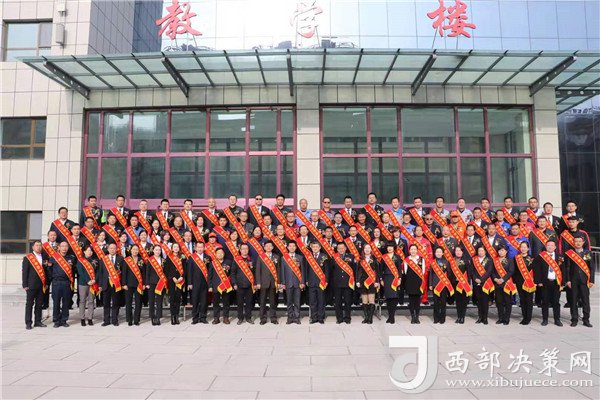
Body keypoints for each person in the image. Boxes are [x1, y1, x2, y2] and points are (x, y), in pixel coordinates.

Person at [534, 240, 565, 327]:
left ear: (555, 247)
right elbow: (537, 269)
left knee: (556, 302)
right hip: (545, 282)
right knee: (545, 301)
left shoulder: (560, 257)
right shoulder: (541, 256)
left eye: (552, 245)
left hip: (556, 282)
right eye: (548, 245)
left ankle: (557, 319)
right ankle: (545, 319)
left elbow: (563, 270)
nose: (550, 247)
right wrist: (538, 281)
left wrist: (563, 281)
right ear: (546, 246)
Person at [565, 236, 594, 328]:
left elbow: (591, 267)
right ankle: (574, 319)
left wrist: (591, 280)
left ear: (583, 242)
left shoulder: (587, 253)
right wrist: (568, 280)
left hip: (584, 281)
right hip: (573, 280)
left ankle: (586, 320)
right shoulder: (570, 253)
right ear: (573, 242)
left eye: (579, 241)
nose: (578, 243)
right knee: (573, 300)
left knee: (585, 300)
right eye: (576, 241)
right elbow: (567, 268)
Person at [47, 242, 75, 328]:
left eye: (66, 246)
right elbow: (49, 270)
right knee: (56, 302)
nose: (64, 248)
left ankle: (64, 320)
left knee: (66, 302)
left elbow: (73, 270)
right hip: (56, 283)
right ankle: (56, 320)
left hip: (66, 283)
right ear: (58, 247)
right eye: (62, 246)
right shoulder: (53, 258)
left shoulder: (71, 258)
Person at [22, 241, 48, 330]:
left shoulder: (44, 257)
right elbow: (25, 272)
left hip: (41, 285)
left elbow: (46, 272)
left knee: (39, 304)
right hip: (31, 285)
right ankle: (28, 322)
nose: (39, 247)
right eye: (37, 245)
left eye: (40, 245)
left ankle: (38, 321)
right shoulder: (28, 258)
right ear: (33, 247)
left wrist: (46, 283)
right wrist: (25, 284)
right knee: (29, 304)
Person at [279, 241, 306, 324]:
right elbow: (282, 271)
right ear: (287, 247)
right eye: (290, 246)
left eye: (293, 246)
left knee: (297, 301)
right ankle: (290, 317)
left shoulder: (300, 257)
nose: (292, 247)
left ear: (296, 247)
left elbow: (303, 271)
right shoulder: (284, 258)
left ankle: (297, 317)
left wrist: (302, 282)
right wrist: (283, 283)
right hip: (288, 283)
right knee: (289, 301)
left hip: (298, 283)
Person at [255, 241, 280, 324]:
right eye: (267, 246)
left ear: (272, 247)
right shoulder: (260, 257)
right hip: (263, 283)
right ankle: (263, 318)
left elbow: (278, 270)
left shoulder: (276, 257)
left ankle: (273, 318)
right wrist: (258, 282)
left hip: (273, 282)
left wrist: (278, 282)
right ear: (264, 247)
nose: (268, 247)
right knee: (262, 302)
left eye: (270, 246)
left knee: (273, 302)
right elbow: (258, 271)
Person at [98, 243, 123, 327]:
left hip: (116, 284)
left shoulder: (120, 258)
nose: (112, 250)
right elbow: (100, 273)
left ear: (116, 249)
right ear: (108, 249)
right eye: (111, 248)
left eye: (114, 248)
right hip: (106, 284)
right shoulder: (103, 259)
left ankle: (115, 320)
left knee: (116, 303)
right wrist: (100, 285)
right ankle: (106, 320)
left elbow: (123, 272)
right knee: (106, 303)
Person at [306, 241, 330, 324]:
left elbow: (327, 270)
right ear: (311, 248)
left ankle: (320, 317)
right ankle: (314, 317)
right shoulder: (309, 256)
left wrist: (326, 281)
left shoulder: (324, 256)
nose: (315, 248)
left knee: (321, 301)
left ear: (319, 247)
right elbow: (306, 269)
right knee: (312, 301)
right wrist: (306, 280)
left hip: (321, 282)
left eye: (316, 247)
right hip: (311, 282)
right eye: (313, 247)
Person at [331, 242, 355, 324]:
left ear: (345, 248)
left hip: (347, 283)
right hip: (337, 283)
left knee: (348, 302)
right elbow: (331, 270)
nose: (341, 250)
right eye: (339, 248)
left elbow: (354, 269)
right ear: (337, 249)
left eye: (342, 248)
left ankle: (347, 318)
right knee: (338, 302)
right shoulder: (334, 257)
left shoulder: (351, 256)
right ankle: (339, 318)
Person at [231, 243, 255, 324]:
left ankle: (248, 317)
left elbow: (254, 272)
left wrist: (254, 283)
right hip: (239, 285)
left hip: (249, 285)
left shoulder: (251, 259)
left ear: (248, 250)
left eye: (246, 249)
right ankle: (240, 318)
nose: (245, 250)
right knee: (240, 303)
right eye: (243, 249)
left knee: (249, 302)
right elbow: (233, 273)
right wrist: (234, 283)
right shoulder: (236, 260)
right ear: (240, 250)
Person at [187, 242, 211, 325]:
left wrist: (209, 283)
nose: (200, 249)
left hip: (205, 282)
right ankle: (195, 318)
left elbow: (209, 271)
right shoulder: (191, 257)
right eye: (198, 247)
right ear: (195, 248)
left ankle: (203, 317)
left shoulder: (208, 257)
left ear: (204, 248)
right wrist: (189, 283)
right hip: (195, 282)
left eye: (201, 247)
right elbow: (189, 271)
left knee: (204, 301)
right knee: (195, 300)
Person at [355, 244, 379, 324]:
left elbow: (377, 272)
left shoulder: (374, 259)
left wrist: (377, 281)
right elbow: (357, 271)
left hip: (372, 282)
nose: (367, 249)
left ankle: (370, 318)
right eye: (365, 248)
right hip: (362, 282)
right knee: (364, 300)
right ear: (363, 250)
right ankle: (366, 317)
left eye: (369, 248)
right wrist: (357, 281)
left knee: (371, 300)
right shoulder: (360, 260)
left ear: (371, 249)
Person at [492, 246, 515, 325]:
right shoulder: (495, 260)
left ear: (506, 251)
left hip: (507, 283)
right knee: (499, 301)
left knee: (507, 301)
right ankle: (500, 318)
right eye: (499, 250)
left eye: (502, 250)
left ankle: (506, 318)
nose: (501, 252)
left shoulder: (510, 260)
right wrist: (495, 279)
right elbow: (492, 271)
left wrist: (503, 279)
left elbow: (511, 271)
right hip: (497, 283)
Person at [513, 241, 535, 325]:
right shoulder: (516, 258)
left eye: (525, 247)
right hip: (520, 281)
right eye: (522, 247)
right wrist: (515, 281)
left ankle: (528, 318)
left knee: (529, 300)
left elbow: (535, 270)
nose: (523, 249)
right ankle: (524, 317)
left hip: (529, 282)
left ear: (528, 248)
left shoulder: (532, 258)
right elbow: (514, 271)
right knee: (522, 300)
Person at [122, 244, 144, 326]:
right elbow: (124, 273)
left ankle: (136, 320)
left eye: (136, 249)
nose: (135, 251)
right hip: (128, 284)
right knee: (128, 303)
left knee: (138, 302)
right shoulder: (127, 260)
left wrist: (144, 284)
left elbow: (143, 273)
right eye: (134, 249)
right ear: (130, 250)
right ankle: (129, 319)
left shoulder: (141, 260)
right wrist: (124, 284)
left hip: (139, 284)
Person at [209, 247, 232, 324]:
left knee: (226, 302)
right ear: (215, 254)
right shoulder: (212, 263)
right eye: (218, 253)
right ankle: (216, 318)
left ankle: (226, 317)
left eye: (221, 253)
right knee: (216, 303)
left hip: (226, 285)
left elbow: (232, 273)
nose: (220, 254)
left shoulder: (229, 262)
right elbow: (210, 276)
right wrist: (210, 286)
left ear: (224, 254)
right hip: (215, 286)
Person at [380, 242, 402, 324]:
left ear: (394, 248)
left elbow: (399, 269)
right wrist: (381, 279)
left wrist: (400, 279)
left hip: (395, 278)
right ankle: (390, 316)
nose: (389, 248)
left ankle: (392, 316)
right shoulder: (384, 257)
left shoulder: (397, 257)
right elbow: (381, 269)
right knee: (388, 298)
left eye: (391, 247)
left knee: (394, 297)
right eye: (388, 247)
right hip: (386, 278)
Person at [404, 244, 426, 324]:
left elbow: (423, 271)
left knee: (417, 300)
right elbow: (405, 272)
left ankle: (417, 317)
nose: (413, 251)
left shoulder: (421, 259)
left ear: (417, 250)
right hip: (410, 281)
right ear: (409, 251)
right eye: (411, 249)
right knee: (411, 300)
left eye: (414, 249)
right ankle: (412, 317)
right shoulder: (407, 260)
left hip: (418, 282)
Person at [430, 247, 452, 324]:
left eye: (440, 252)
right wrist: (430, 284)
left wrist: (445, 281)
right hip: (435, 284)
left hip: (443, 284)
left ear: (442, 253)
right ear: (435, 253)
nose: (438, 253)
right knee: (435, 302)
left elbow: (449, 273)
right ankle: (436, 318)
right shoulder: (433, 262)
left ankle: (442, 318)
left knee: (443, 302)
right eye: (437, 252)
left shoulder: (446, 261)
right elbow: (431, 274)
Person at [76, 246, 98, 326]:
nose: (90, 252)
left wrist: (95, 280)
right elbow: (80, 272)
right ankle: (82, 318)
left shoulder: (95, 261)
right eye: (88, 250)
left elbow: (98, 271)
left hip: (93, 283)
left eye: (91, 251)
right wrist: (88, 280)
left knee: (91, 301)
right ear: (84, 252)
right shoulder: (80, 261)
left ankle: (90, 318)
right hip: (83, 283)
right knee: (82, 301)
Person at [471, 246, 493, 325]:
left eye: (482, 251)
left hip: (485, 283)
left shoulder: (489, 260)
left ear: (485, 252)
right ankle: (480, 317)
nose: (480, 252)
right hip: (476, 282)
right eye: (479, 251)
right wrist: (475, 279)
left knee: (485, 301)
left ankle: (485, 318)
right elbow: (472, 271)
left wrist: (481, 279)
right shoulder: (474, 259)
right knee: (479, 301)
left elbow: (489, 271)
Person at [164, 243, 185, 325]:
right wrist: (172, 277)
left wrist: (182, 277)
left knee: (178, 298)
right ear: (172, 248)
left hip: (180, 280)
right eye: (174, 247)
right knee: (172, 298)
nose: (176, 248)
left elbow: (185, 269)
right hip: (172, 280)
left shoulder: (182, 257)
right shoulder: (169, 257)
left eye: (177, 247)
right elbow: (166, 269)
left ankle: (177, 316)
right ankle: (172, 316)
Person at [146, 245, 167, 325]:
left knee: (159, 301)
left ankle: (158, 317)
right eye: (156, 250)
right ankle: (152, 317)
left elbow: (165, 272)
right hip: (152, 283)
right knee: (151, 301)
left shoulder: (163, 260)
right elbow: (147, 272)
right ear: (153, 251)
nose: (158, 251)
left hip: (161, 283)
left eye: (159, 250)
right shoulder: (150, 260)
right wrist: (147, 283)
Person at [451, 246, 471, 324]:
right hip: (455, 283)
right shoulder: (452, 260)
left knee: (463, 301)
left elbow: (469, 273)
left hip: (463, 283)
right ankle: (458, 316)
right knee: (458, 301)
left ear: (462, 252)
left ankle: (462, 317)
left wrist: (469, 283)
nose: (458, 252)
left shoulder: (466, 260)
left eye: (460, 250)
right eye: (456, 250)